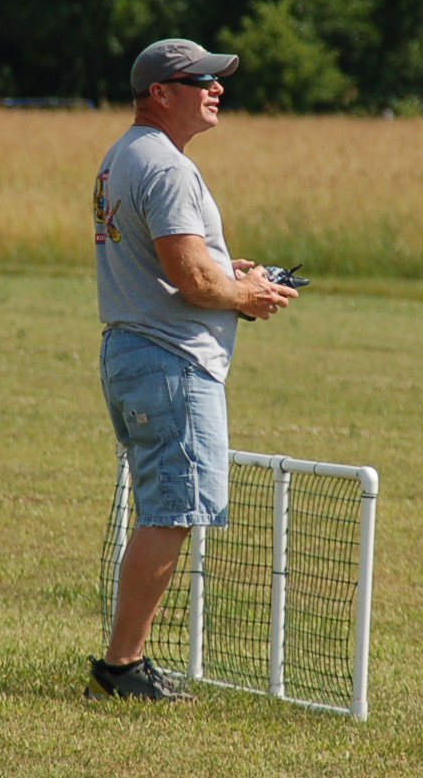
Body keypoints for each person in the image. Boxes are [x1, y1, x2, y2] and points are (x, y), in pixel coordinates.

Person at [86, 38, 299, 701]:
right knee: (172, 515)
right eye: (202, 80)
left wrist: (228, 273)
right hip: (172, 362)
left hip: (137, 352)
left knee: (166, 510)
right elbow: (193, 281)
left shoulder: (125, 155)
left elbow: (176, 264)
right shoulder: (167, 167)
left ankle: (126, 664)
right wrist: (247, 296)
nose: (217, 89)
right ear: (160, 93)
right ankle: (122, 669)